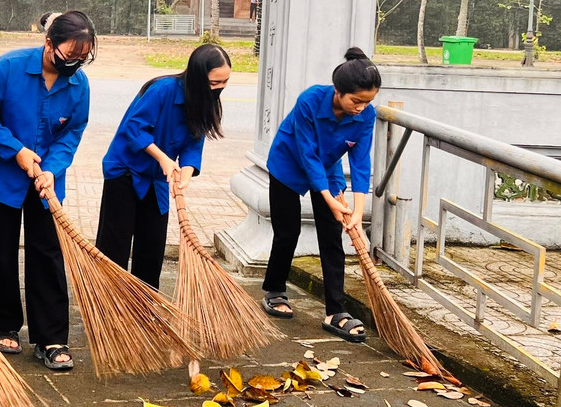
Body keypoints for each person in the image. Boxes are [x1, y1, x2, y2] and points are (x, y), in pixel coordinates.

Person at [0, 10, 94, 370]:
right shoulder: (8, 68)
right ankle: (4, 325)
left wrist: (52, 169)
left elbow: (73, 131)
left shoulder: (79, 85)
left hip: (46, 185)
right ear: (48, 44)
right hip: (0, 178)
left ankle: (51, 337)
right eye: (68, 55)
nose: (73, 64)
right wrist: (17, 150)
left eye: (81, 58)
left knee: (48, 256)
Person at [261, 47, 381, 343]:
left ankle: (335, 311)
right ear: (338, 92)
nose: (362, 108)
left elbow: (361, 161)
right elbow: (307, 154)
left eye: (368, 102)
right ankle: (275, 289)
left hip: (328, 168)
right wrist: (329, 198)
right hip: (289, 163)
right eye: (357, 101)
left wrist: (357, 210)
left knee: (331, 237)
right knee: (287, 232)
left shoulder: (366, 116)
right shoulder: (311, 101)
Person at [96, 43, 233, 289]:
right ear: (198, 76)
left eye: (224, 83)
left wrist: (188, 170)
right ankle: (108, 304)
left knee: (152, 246)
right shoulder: (163, 90)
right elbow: (134, 128)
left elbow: (194, 142)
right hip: (125, 171)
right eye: (214, 83)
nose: (219, 89)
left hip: (157, 179)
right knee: (115, 245)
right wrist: (162, 158)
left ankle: (146, 308)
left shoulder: (204, 101)